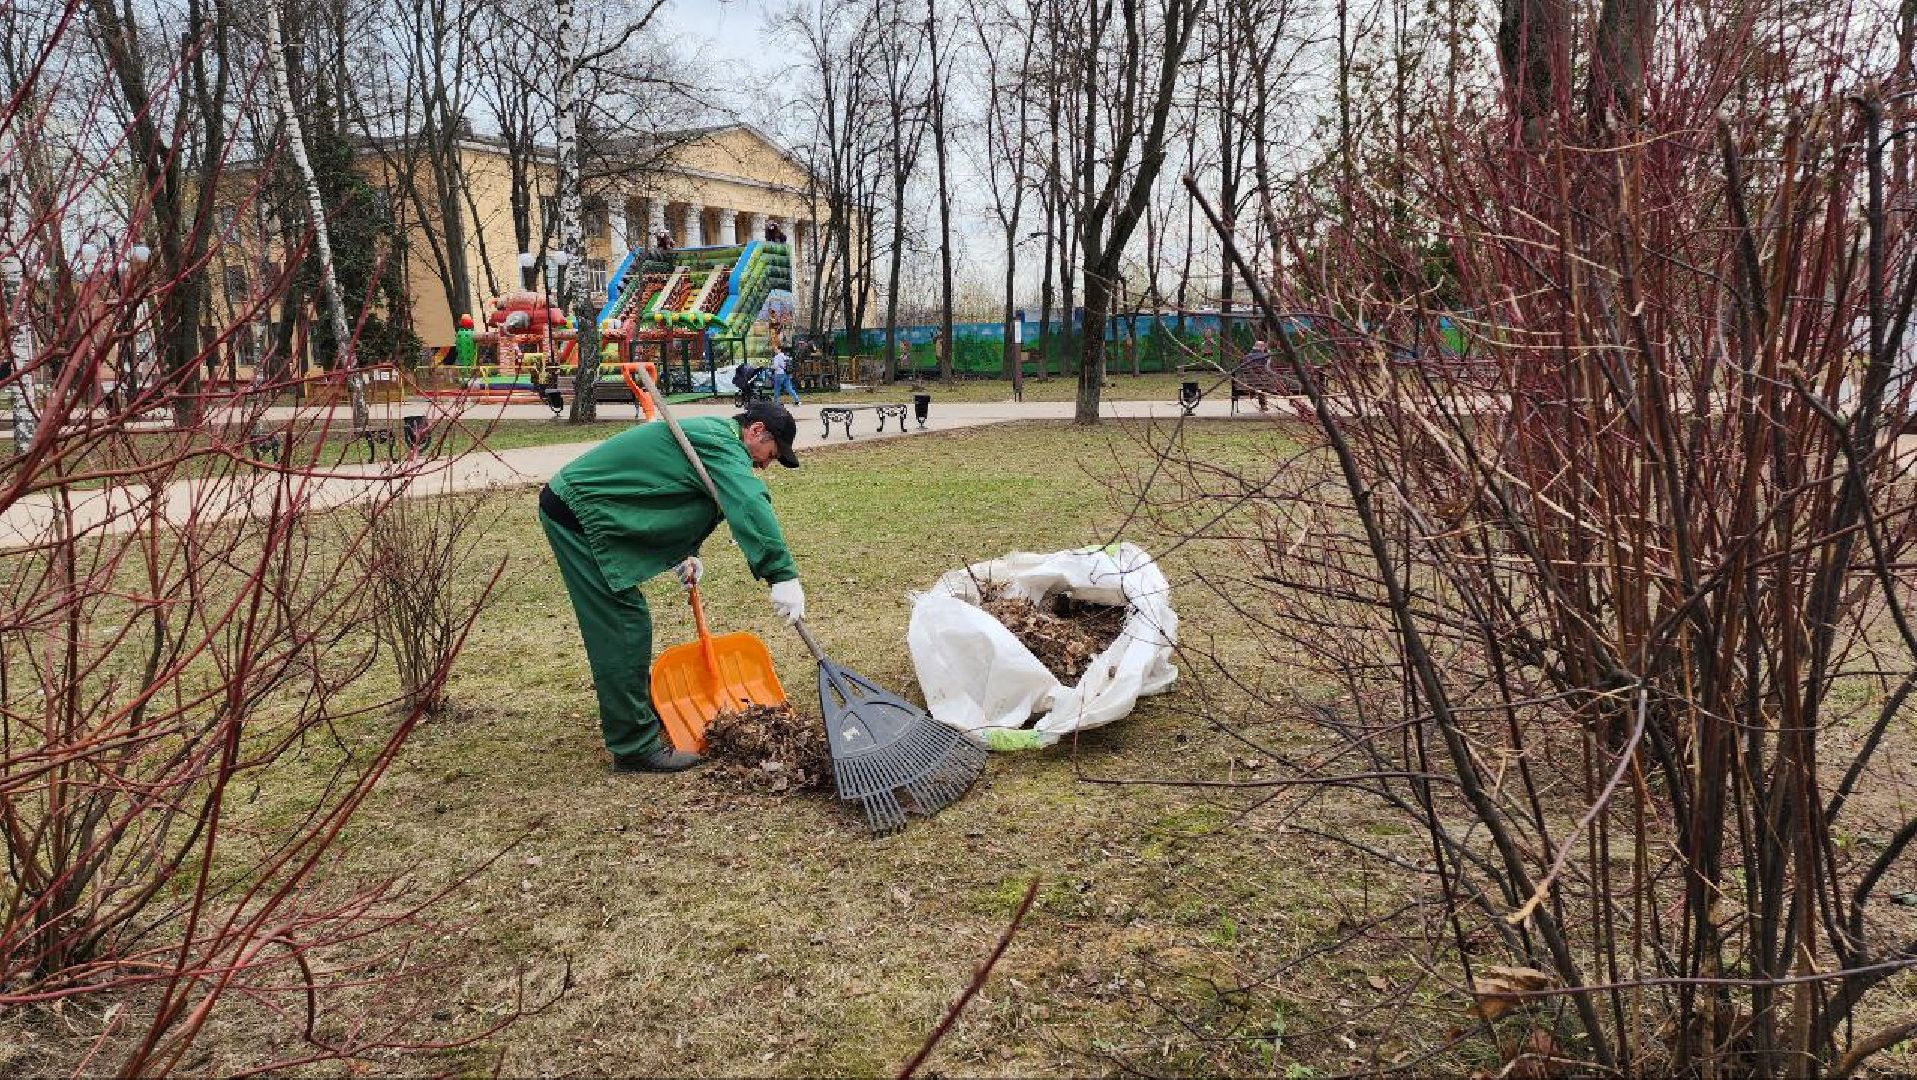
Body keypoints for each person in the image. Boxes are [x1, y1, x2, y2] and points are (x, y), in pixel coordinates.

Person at [538, 402, 807, 773]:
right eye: (771, 455)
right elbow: (747, 502)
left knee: (625, 621)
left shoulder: (715, 439)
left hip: (596, 508)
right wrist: (781, 574)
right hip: (577, 513)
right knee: (623, 624)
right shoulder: (721, 444)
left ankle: (636, 710)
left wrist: (685, 553)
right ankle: (633, 746)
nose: (766, 465)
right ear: (756, 431)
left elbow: (676, 493)